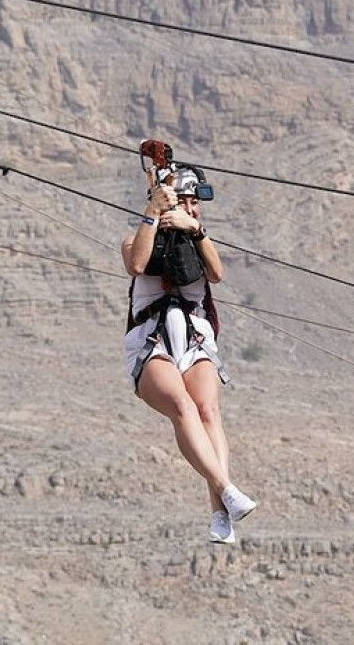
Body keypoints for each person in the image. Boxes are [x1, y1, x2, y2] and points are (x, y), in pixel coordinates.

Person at [122, 163, 256, 544]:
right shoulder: (134, 239)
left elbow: (215, 274)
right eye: (186, 201)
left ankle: (220, 516)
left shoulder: (198, 236)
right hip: (153, 340)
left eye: (196, 203)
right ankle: (225, 490)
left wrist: (195, 229)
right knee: (182, 406)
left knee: (208, 412)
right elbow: (136, 263)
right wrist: (153, 213)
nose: (192, 207)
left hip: (195, 338)